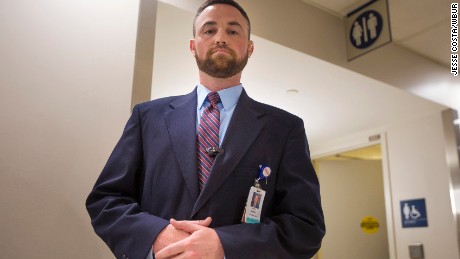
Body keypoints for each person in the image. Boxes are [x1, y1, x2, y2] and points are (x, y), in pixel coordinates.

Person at [86, 0, 325, 258]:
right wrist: (156, 235)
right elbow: (106, 200)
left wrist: (225, 244)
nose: (220, 38)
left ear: (250, 48)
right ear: (193, 46)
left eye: (233, 31)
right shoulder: (147, 117)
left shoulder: (285, 128)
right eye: (209, 30)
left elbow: (305, 226)